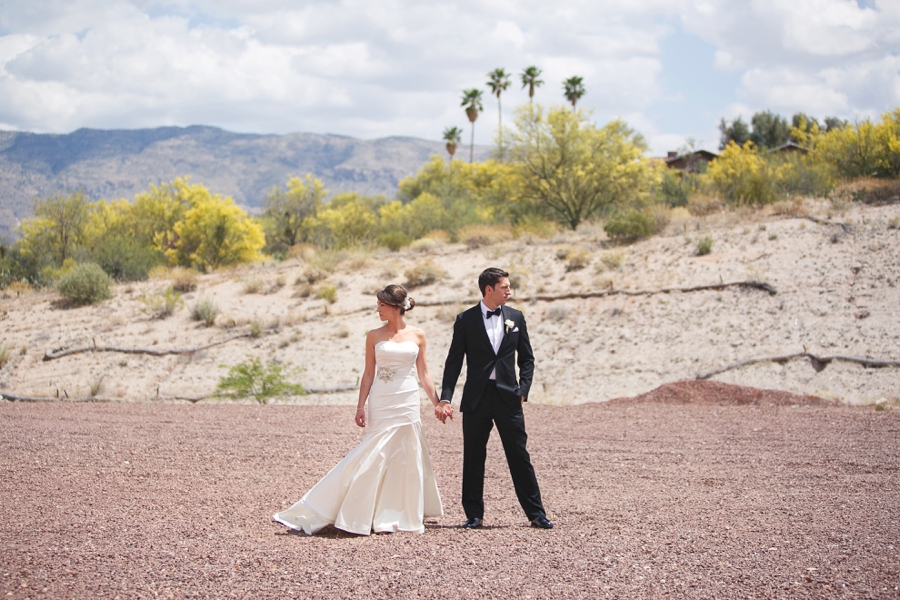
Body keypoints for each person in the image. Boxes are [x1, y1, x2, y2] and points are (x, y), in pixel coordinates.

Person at [273, 284, 448, 535]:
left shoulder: (418, 335)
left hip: (408, 398)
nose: (377, 309)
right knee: (374, 451)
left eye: (382, 305)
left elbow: (424, 373)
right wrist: (360, 406)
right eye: (377, 304)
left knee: (406, 455)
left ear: (397, 308)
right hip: (382, 399)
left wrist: (438, 403)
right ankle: (341, 507)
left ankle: (398, 513)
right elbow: (368, 373)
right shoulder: (373, 336)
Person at [436, 267, 553, 529]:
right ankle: (474, 515)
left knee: (519, 455)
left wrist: (523, 390)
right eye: (505, 287)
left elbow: (527, 359)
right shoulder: (465, 320)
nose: (509, 291)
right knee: (474, 456)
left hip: (508, 398)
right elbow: (453, 362)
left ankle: (536, 514)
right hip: (476, 398)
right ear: (489, 289)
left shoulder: (516, 317)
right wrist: (445, 397)